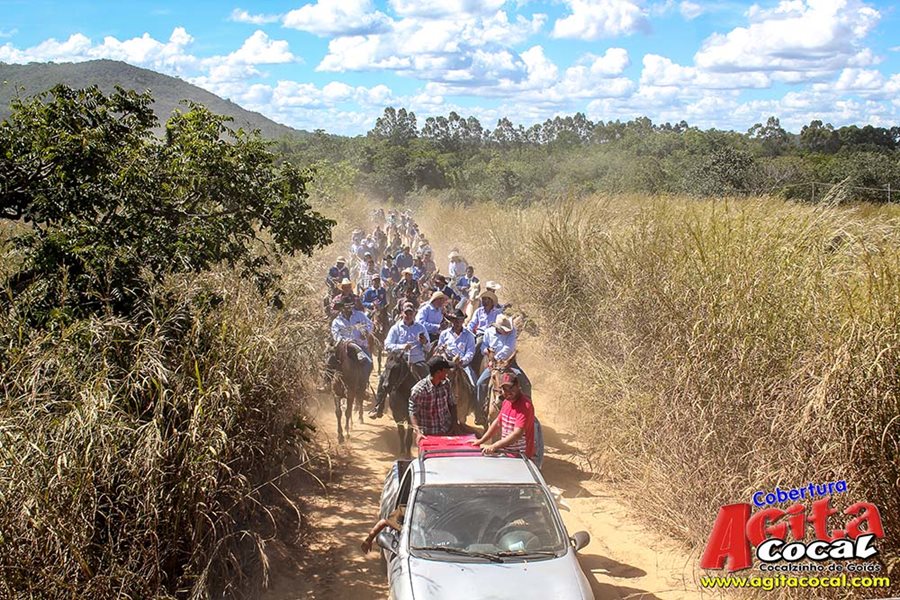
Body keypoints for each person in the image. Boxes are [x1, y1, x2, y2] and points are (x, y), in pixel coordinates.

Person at [369, 303, 431, 418]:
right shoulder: (396, 328)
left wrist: (425, 342)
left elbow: (428, 348)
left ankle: (430, 409)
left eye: (410, 313)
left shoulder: (420, 328)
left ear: (414, 314)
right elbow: (387, 345)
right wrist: (402, 347)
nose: (408, 315)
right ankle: (379, 406)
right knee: (384, 379)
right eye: (406, 313)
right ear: (402, 313)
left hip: (417, 360)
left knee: (428, 380)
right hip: (399, 361)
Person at [469, 371, 538, 465]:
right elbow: (497, 423)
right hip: (508, 452)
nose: (508, 392)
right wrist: (481, 440)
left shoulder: (525, 406)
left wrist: (495, 446)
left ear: (518, 386)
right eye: (504, 389)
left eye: (511, 388)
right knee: (480, 383)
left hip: (521, 455)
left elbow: (517, 434)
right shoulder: (506, 402)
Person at [475, 314, 532, 425]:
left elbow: (508, 348)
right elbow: (483, 347)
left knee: (525, 383)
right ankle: (480, 413)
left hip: (509, 362)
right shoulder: (488, 332)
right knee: (480, 383)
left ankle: (529, 414)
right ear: (498, 327)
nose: (507, 331)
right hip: (492, 363)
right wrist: (487, 351)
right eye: (504, 330)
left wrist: (496, 357)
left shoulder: (512, 332)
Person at [409, 357, 457, 442]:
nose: (447, 373)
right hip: (428, 435)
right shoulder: (419, 389)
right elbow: (413, 411)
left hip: (446, 430)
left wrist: (454, 424)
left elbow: (452, 404)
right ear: (438, 372)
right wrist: (418, 432)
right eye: (445, 371)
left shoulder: (446, 384)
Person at [330, 299, 374, 381]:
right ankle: (327, 383)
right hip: (344, 346)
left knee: (369, 364)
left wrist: (366, 332)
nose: (349, 309)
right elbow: (335, 334)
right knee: (330, 359)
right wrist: (345, 341)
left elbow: (370, 324)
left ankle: (363, 383)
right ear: (341, 308)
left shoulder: (360, 315)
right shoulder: (337, 321)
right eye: (346, 306)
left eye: (351, 306)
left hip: (360, 345)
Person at [438, 309, 477, 387]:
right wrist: (444, 357)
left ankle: (474, 397)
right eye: (455, 320)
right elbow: (440, 349)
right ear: (452, 321)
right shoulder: (444, 334)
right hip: (447, 363)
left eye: (460, 320)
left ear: (463, 321)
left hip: (463, 364)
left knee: (473, 383)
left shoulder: (469, 335)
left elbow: (470, 352)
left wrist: (462, 361)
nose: (458, 323)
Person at [467, 290, 501, 373]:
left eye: (486, 299)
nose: (484, 301)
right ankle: (470, 364)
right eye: (483, 299)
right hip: (481, 334)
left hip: (493, 335)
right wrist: (469, 331)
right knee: (478, 345)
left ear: (491, 301)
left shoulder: (497, 313)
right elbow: (472, 323)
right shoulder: (479, 311)